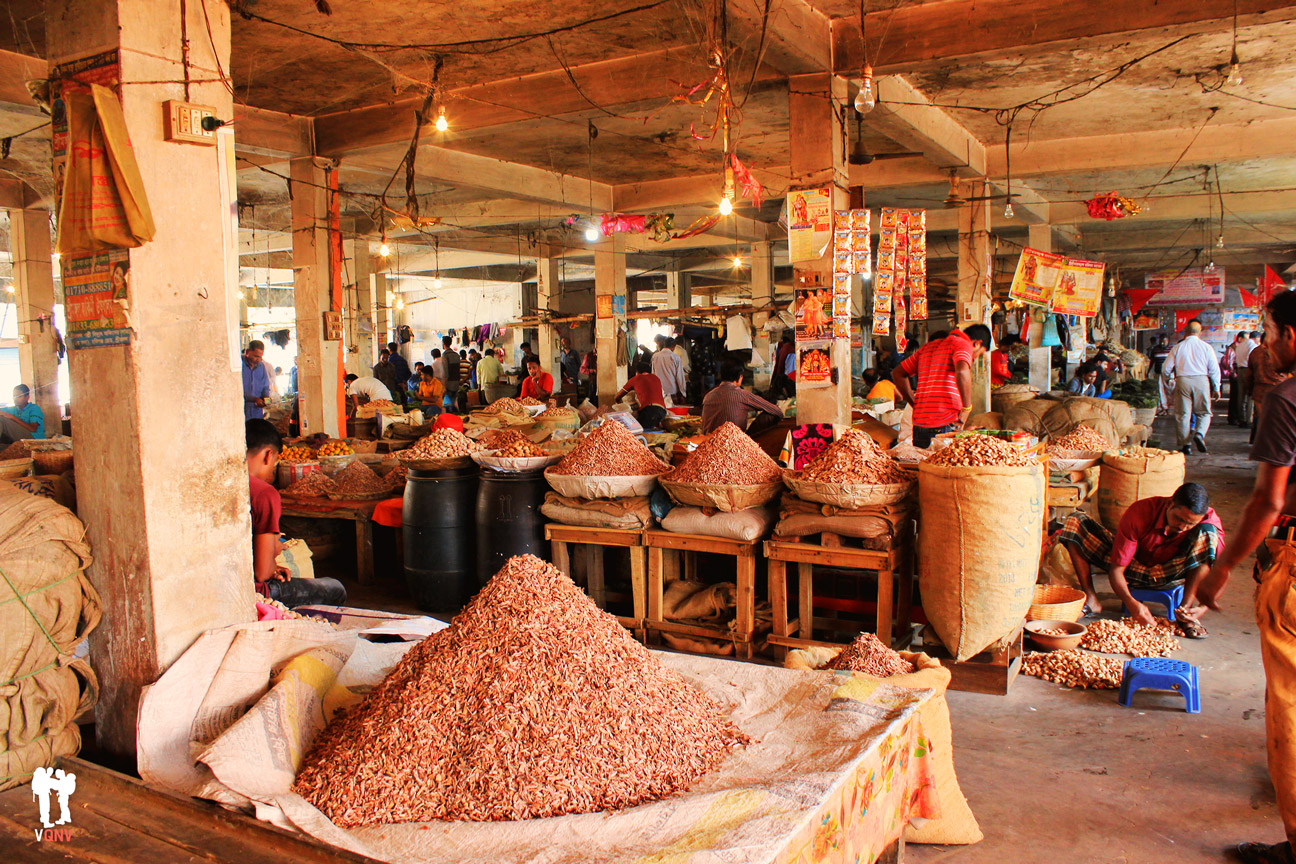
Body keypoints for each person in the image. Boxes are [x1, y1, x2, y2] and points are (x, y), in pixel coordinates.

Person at [1184, 291, 1296, 864]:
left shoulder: (1288, 398)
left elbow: (1269, 501)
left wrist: (1222, 568)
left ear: (1291, 337)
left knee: (1292, 704)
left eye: (1271, 332)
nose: (1267, 344)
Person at [1057, 482, 1222, 634]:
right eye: (1179, 519)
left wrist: (1204, 606)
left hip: (1174, 570)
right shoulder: (1141, 512)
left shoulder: (1209, 521)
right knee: (1075, 522)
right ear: (1170, 503)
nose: (1182, 527)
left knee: (1207, 534)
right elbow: (1117, 570)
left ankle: (1185, 610)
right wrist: (1131, 602)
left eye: (1190, 524)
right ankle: (1092, 599)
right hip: (1135, 567)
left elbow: (1219, 571)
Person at [245, 419, 347, 609]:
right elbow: (261, 573)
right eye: (275, 462)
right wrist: (270, 565)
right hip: (254, 591)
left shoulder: (224, 482)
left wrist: (271, 568)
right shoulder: (264, 493)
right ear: (268, 456)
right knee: (335, 588)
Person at [891, 325, 992, 448]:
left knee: (924, 464)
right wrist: (966, 407)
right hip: (944, 422)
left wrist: (914, 404)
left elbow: (897, 373)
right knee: (945, 465)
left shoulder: (928, 347)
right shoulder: (963, 344)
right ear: (976, 343)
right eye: (979, 354)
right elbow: (962, 372)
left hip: (920, 426)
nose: (974, 357)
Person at [1162, 319, 1220, 455]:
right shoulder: (1206, 347)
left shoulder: (1178, 347)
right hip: (1201, 380)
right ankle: (1199, 434)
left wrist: (1167, 380)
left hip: (1182, 381)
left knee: (1183, 414)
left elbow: (1166, 367)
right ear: (1200, 333)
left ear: (1186, 332)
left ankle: (1185, 445)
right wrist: (1216, 387)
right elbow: (1214, 369)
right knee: (1204, 412)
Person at [701, 355, 782, 435]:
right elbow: (777, 411)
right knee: (770, 415)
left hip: (707, 443)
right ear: (740, 377)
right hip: (734, 445)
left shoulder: (708, 396)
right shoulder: (742, 395)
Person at [1248, 336, 1292, 443]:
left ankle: (1264, 444)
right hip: (1281, 391)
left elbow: (1249, 374)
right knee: (1280, 419)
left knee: (1264, 420)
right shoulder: (1284, 350)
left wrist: (1250, 390)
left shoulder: (1255, 352)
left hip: (1260, 392)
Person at [614, 361, 668, 429]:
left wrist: (619, 402)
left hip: (649, 410)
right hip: (662, 411)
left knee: (638, 430)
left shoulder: (635, 379)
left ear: (637, 372)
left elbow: (618, 396)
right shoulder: (656, 378)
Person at [241, 340, 271, 421]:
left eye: (260, 357)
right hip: (242, 410)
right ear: (247, 352)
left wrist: (266, 399)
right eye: (256, 356)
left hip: (257, 411)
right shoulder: (239, 365)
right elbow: (235, 390)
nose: (258, 360)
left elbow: (265, 386)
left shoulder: (261, 367)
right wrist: (253, 399)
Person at [652, 337, 687, 404]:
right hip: (672, 391)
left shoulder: (655, 356)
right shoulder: (675, 357)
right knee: (672, 412)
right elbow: (679, 376)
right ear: (673, 346)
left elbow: (653, 375)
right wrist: (683, 393)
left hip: (659, 391)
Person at [1228, 331, 1252, 426]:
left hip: (1239, 372)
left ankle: (1240, 418)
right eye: (1245, 338)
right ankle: (1245, 419)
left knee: (1240, 396)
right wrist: (1233, 374)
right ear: (1240, 339)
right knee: (1247, 396)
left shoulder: (1239, 347)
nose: (1247, 340)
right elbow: (1228, 362)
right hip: (1241, 372)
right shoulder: (1234, 347)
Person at [386, 342, 410, 408]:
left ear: (389, 350)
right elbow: (408, 373)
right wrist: (404, 382)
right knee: (404, 406)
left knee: (395, 406)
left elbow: (392, 374)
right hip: (403, 387)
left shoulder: (390, 361)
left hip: (394, 387)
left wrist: (399, 382)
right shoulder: (403, 360)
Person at [441, 336, 461, 413]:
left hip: (449, 383)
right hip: (456, 382)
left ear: (443, 344)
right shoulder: (456, 355)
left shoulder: (445, 355)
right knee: (454, 402)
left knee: (448, 405)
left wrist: (444, 385)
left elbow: (445, 372)